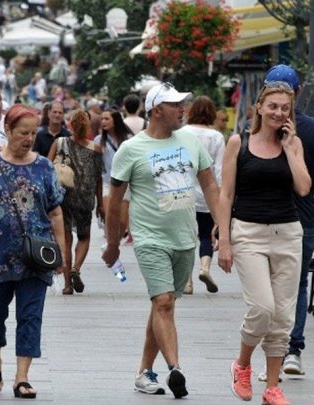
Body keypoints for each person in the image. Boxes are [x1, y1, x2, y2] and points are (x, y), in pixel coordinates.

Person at [102, 82, 220, 398]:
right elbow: (114, 201)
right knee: (163, 302)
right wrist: (113, 244)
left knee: (162, 306)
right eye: (175, 105)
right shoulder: (131, 150)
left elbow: (209, 186)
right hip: (150, 238)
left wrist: (223, 225)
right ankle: (175, 369)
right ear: (157, 111)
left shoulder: (192, 142)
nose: (183, 109)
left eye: (184, 103)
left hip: (185, 239)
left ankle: (144, 372)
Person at [219, 81, 310, 405]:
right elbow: (226, 194)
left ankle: (272, 387)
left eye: (284, 108)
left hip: (287, 233)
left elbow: (303, 187)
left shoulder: (293, 142)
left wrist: (289, 147)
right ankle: (242, 364)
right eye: (272, 106)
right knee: (262, 308)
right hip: (249, 232)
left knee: (283, 317)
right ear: (259, 107)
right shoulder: (237, 142)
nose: (278, 113)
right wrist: (225, 241)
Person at [0, 104, 65, 399]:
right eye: (22, 132)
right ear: (7, 130)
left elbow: (56, 213)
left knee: (30, 315)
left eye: (32, 133)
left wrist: (61, 253)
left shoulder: (44, 167)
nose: (28, 139)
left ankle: (22, 377)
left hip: (36, 257)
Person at [263, 65, 314, 378]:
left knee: (274, 288)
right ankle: (290, 350)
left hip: (281, 218)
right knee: (295, 285)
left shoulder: (257, 129)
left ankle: (285, 350)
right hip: (299, 218)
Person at [48, 109, 103, 295]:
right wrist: (101, 203)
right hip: (85, 198)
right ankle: (76, 268)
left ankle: (67, 285)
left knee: (66, 238)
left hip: (64, 196)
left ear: (70, 124)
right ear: (88, 126)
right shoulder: (96, 149)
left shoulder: (60, 142)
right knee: (84, 236)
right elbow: (98, 178)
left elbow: (47, 168)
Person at [182, 96, 225, 294]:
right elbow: (219, 170)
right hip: (207, 195)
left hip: (184, 194)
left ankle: (187, 281)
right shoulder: (216, 137)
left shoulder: (181, 133)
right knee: (207, 235)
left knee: (187, 239)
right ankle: (205, 268)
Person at [94, 109, 133, 242]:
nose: (103, 122)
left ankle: (114, 244)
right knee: (109, 218)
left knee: (122, 221)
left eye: (107, 119)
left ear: (115, 120)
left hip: (124, 183)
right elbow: (96, 164)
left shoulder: (129, 139)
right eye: (102, 119)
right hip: (107, 182)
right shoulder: (99, 140)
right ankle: (111, 247)